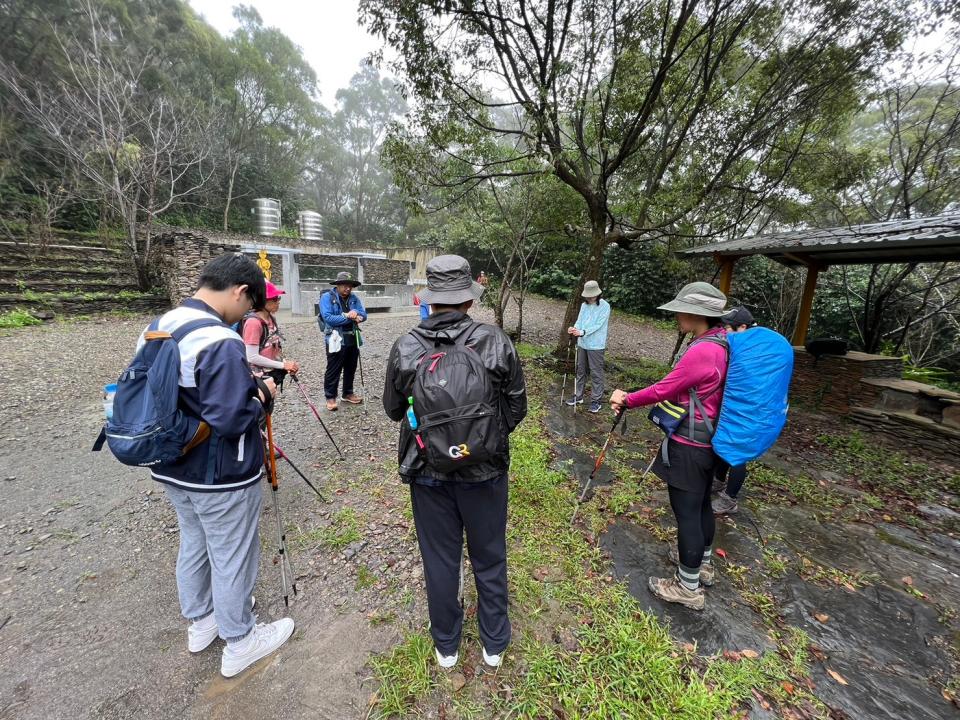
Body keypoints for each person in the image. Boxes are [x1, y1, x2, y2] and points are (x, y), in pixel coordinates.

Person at [145, 253, 293, 678]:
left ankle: (201, 621)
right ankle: (240, 640)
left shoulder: (159, 326)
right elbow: (230, 418)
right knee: (231, 553)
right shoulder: (218, 339)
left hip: (171, 463)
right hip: (220, 472)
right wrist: (264, 393)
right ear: (240, 291)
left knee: (194, 541)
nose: (245, 313)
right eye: (248, 305)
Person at [383, 254, 527, 671]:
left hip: (428, 471)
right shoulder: (495, 340)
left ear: (430, 299)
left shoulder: (406, 345)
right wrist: (479, 441)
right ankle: (494, 643)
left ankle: (446, 645)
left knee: (440, 557)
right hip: (485, 472)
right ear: (469, 299)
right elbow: (517, 406)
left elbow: (394, 411)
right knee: (489, 553)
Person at [609, 282, 729, 611]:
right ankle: (701, 566)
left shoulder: (703, 350)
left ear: (695, 313)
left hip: (691, 444)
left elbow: (665, 388)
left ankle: (687, 588)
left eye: (681, 310)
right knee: (701, 504)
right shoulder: (721, 343)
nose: (677, 314)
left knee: (687, 514)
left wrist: (626, 398)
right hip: (709, 441)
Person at [711, 306, 755, 515]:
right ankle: (718, 481)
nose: (724, 332)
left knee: (737, 453)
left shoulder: (755, 349)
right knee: (724, 443)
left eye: (727, 328)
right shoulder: (742, 343)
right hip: (732, 404)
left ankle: (730, 499)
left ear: (742, 328)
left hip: (748, 409)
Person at [318, 271, 368, 411]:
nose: (348, 289)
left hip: (352, 337)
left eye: (350, 286)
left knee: (351, 367)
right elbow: (328, 318)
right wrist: (348, 316)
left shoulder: (354, 298)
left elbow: (364, 314)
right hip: (335, 338)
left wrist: (358, 315)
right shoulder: (327, 298)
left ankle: (347, 393)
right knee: (333, 369)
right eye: (345, 285)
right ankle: (330, 396)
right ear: (338, 285)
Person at [241, 281, 300, 386]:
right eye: (274, 299)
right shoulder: (253, 323)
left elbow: (275, 347)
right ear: (262, 301)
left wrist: (286, 364)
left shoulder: (271, 318)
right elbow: (252, 357)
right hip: (257, 378)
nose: (278, 302)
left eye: (278, 298)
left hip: (271, 374)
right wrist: (283, 365)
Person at [565, 280, 611, 413]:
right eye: (588, 295)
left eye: (593, 294)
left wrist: (583, 332)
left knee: (596, 372)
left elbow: (598, 325)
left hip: (596, 345)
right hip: (582, 343)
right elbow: (580, 321)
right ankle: (578, 396)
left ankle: (596, 400)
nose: (590, 297)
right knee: (580, 370)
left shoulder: (605, 306)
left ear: (598, 293)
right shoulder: (583, 305)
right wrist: (574, 329)